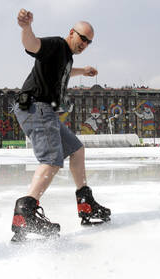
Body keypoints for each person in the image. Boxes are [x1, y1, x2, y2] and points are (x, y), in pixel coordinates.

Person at [11, 9, 111, 241]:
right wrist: (26, 28)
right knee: (51, 159)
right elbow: (33, 45)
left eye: (88, 41)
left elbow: (64, 72)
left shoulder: (66, 57)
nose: (84, 44)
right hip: (37, 107)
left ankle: (85, 202)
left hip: (44, 110)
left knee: (76, 149)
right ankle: (25, 213)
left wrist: (82, 71)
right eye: (82, 38)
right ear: (71, 33)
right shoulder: (56, 45)